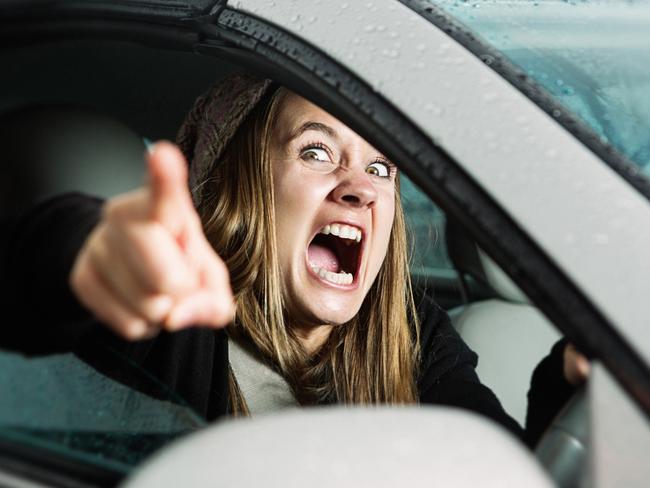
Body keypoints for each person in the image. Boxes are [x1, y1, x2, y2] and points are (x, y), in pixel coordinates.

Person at [0, 72, 587, 447]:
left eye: (381, 167)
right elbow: (29, 290)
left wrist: (563, 381)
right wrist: (90, 251)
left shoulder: (414, 336)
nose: (360, 187)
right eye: (317, 151)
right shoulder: (168, 319)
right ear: (236, 190)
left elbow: (498, 468)